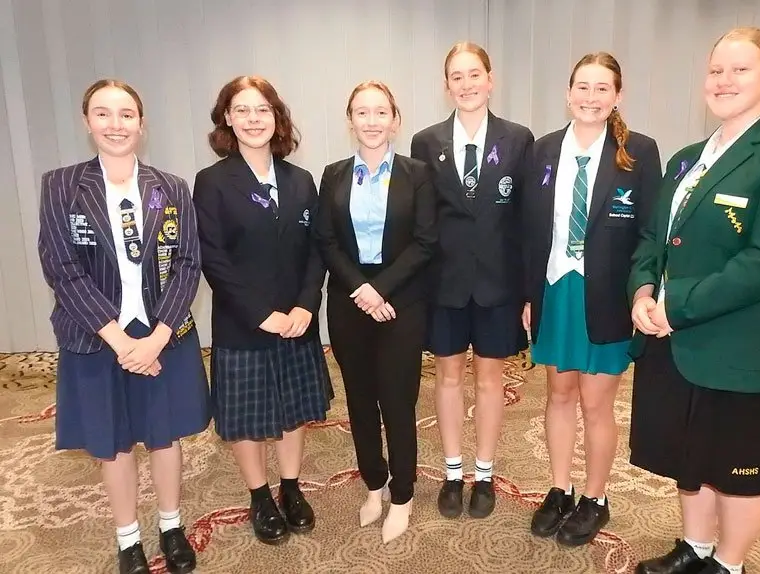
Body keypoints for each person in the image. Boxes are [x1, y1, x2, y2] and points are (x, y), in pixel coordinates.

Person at [627, 27, 760, 574]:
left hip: (744, 347)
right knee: (690, 454)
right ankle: (694, 549)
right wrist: (643, 289)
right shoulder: (688, 158)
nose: (724, 80)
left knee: (742, 463)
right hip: (675, 340)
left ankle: (729, 563)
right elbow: (654, 237)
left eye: (740, 69)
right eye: (716, 70)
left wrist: (677, 304)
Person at [37, 79, 210, 574]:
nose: (116, 124)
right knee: (112, 442)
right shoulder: (61, 185)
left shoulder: (170, 187)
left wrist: (155, 338)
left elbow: (188, 265)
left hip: (164, 337)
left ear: (142, 122)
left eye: (126, 114)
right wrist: (120, 341)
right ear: (87, 121)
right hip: (95, 341)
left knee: (164, 436)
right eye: (103, 114)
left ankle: (172, 526)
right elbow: (61, 269)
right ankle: (128, 537)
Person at [522, 52, 662, 546]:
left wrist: (642, 292)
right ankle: (559, 489)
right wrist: (527, 295)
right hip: (556, 289)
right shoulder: (542, 151)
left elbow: (651, 234)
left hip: (608, 298)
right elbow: (528, 230)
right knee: (558, 394)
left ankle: (596, 497)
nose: (591, 97)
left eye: (602, 88)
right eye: (582, 87)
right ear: (568, 92)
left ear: (618, 96)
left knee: (595, 404)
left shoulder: (639, 152)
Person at [192, 76, 332, 546]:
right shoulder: (212, 182)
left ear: (277, 118)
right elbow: (213, 258)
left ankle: (291, 487)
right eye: (243, 110)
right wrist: (259, 313)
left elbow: (318, 251)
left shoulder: (300, 180)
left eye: (263, 110)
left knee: (294, 411)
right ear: (228, 118)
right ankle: (259, 495)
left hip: (297, 321)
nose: (254, 119)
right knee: (247, 418)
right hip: (243, 324)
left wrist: (305, 305)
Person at [410, 41, 534, 519]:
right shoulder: (426, 141)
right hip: (443, 285)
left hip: (498, 285)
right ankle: (452, 470)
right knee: (446, 378)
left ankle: (484, 473)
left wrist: (527, 291)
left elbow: (525, 220)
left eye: (473, 74)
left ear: (490, 79)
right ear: (447, 86)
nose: (466, 84)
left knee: (488, 379)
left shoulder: (519, 138)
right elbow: (421, 222)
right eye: (456, 77)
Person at [314, 80, 437, 543]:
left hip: (400, 303)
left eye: (380, 112)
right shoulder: (333, 174)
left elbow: (426, 241)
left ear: (395, 120)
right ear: (350, 121)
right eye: (362, 113)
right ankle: (374, 484)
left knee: (398, 404)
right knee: (360, 403)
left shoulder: (417, 174)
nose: (371, 121)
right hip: (349, 302)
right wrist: (362, 289)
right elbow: (325, 240)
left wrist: (380, 289)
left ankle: (403, 495)